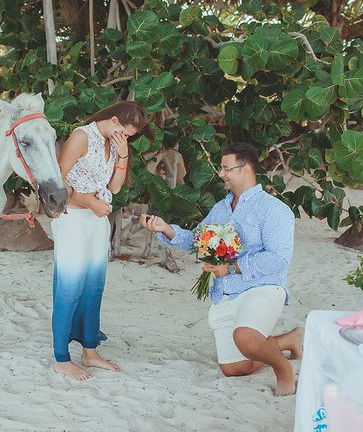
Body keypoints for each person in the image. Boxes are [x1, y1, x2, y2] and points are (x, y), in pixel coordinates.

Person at [140, 142, 303, 396]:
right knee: (234, 367)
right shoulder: (221, 209)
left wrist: (232, 267)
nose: (221, 174)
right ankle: (288, 340)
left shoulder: (274, 210)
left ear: (246, 169)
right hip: (226, 292)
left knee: (246, 337)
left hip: (262, 286)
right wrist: (166, 229)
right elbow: (196, 239)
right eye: (221, 168)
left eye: (227, 169)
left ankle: (283, 370)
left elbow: (279, 259)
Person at [51, 101, 151, 380]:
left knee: (94, 287)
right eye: (125, 133)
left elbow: (114, 188)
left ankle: (90, 351)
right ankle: (61, 358)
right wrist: (88, 202)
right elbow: (56, 181)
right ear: (114, 120)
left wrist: (123, 154)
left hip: (97, 221)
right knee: (69, 287)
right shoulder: (81, 137)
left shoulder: (115, 143)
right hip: (72, 218)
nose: (125, 138)